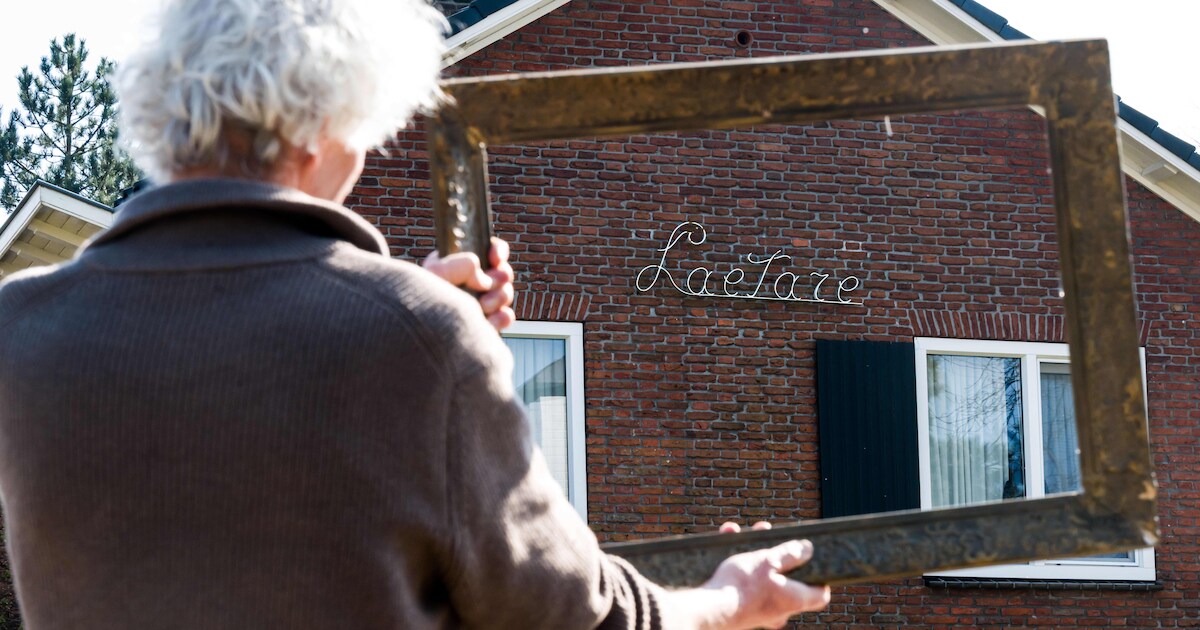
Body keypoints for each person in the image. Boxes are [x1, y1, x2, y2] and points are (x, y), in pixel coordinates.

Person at [0, 0, 830, 628]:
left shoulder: (20, 329)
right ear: (324, 122)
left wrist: (414, 308)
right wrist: (729, 597)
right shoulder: (416, 341)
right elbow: (580, 617)